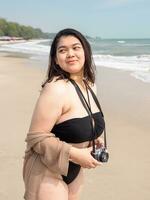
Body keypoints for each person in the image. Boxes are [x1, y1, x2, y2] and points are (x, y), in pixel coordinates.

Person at [23, 28, 105, 200]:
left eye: (76, 47)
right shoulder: (55, 88)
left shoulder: (90, 85)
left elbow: (78, 123)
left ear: (86, 51)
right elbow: (36, 138)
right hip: (47, 170)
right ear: (55, 59)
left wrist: (94, 139)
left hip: (75, 170)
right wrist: (75, 154)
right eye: (62, 50)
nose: (70, 54)